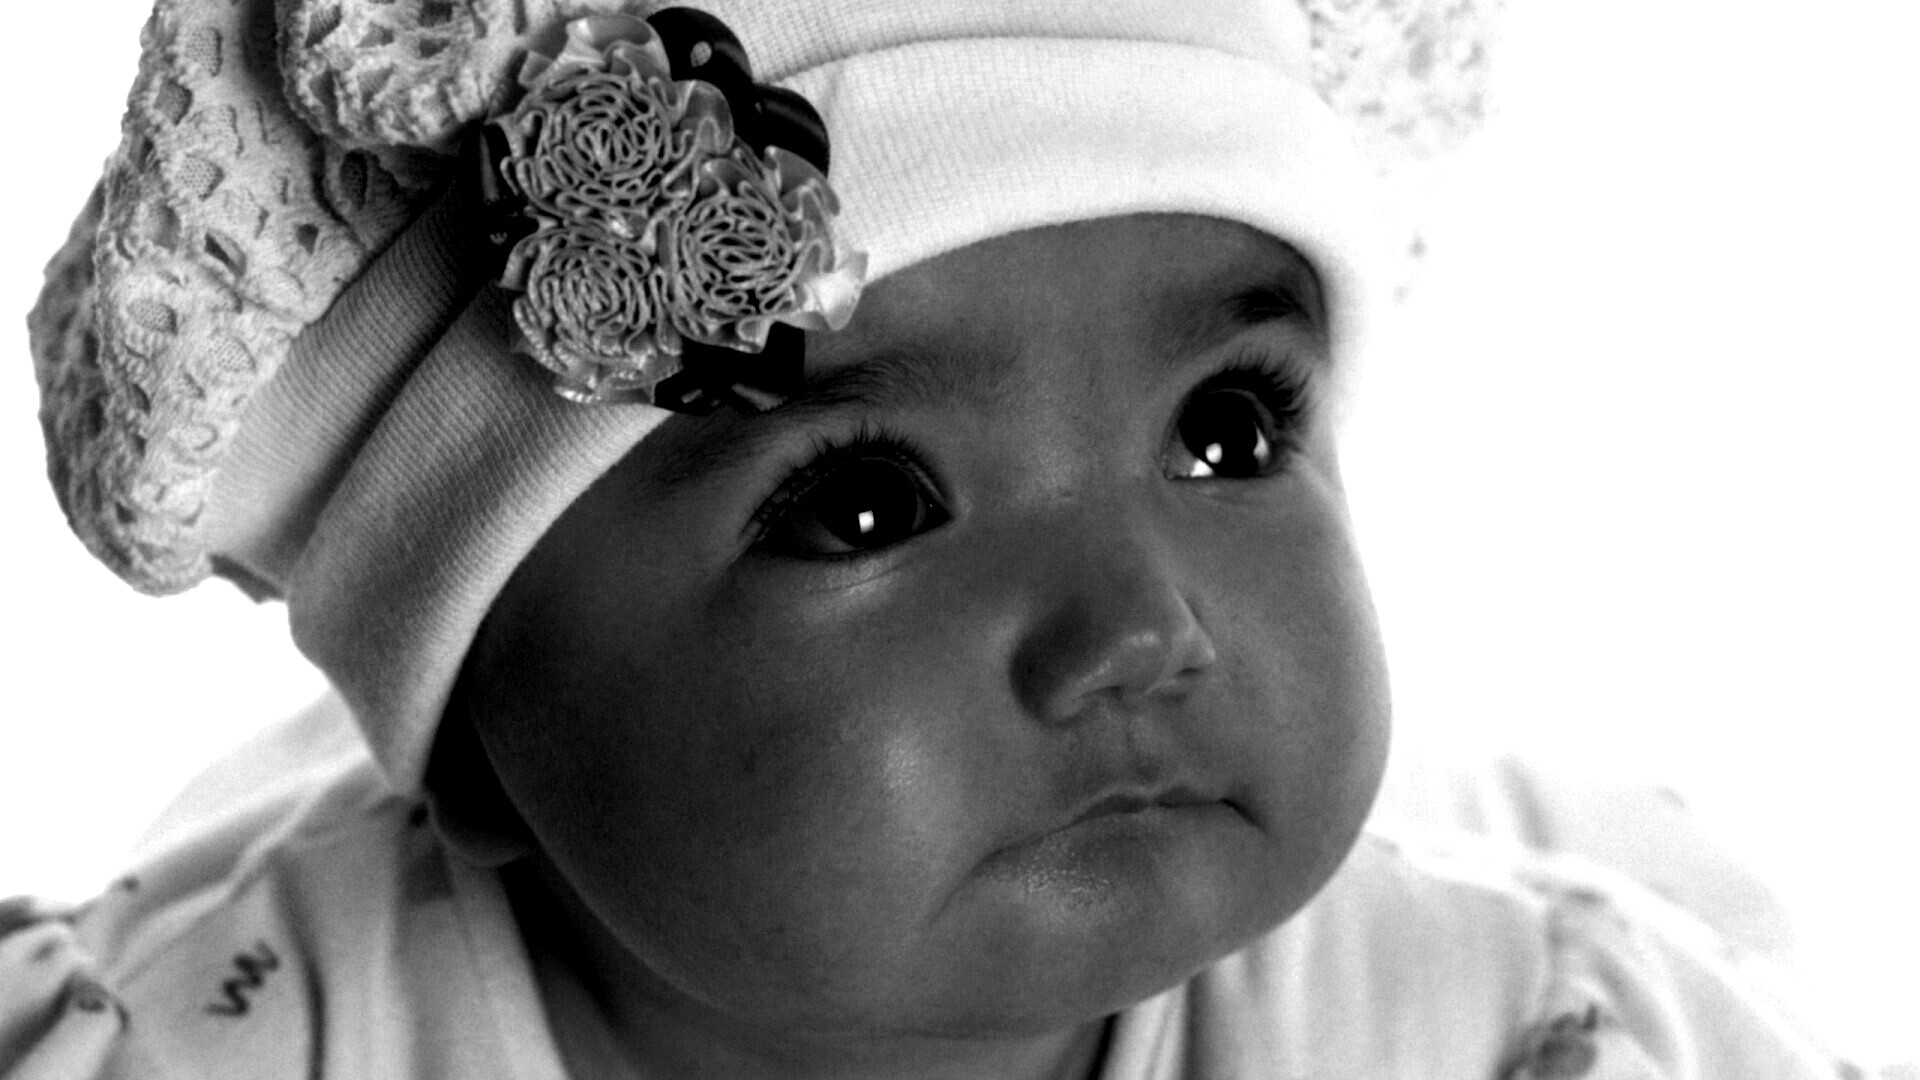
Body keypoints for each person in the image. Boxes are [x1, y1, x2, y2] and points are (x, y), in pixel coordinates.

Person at [0, 0, 1862, 1077]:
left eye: (1227, 432)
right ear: (479, 736)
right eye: (868, 504)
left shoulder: (1509, 1035)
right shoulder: (219, 1047)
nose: (1138, 624)